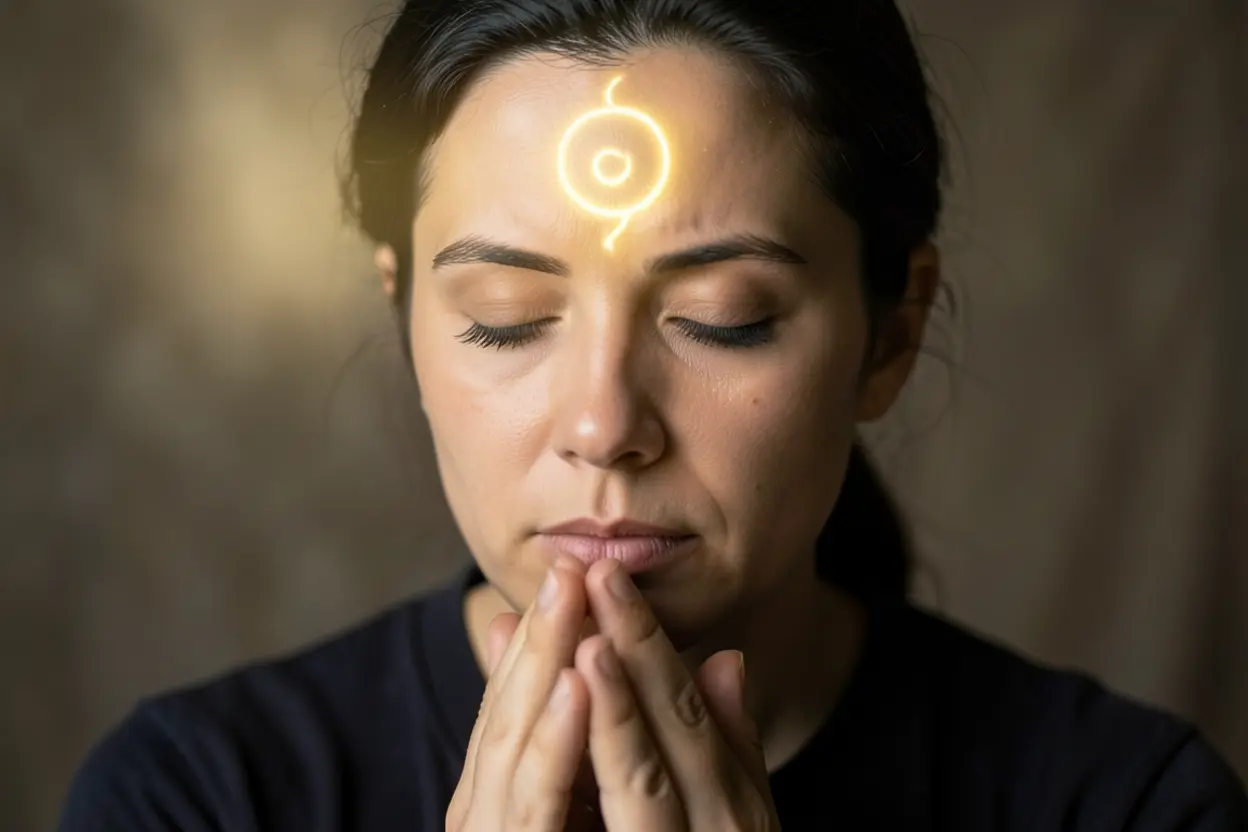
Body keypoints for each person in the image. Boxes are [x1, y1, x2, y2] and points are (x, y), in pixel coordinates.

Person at [58, 0, 1248, 829]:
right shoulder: (197, 797)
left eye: (725, 318)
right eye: (507, 319)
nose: (602, 423)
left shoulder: (1124, 803)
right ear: (404, 315)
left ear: (890, 333)